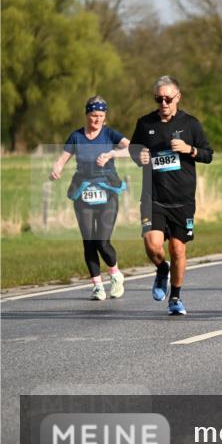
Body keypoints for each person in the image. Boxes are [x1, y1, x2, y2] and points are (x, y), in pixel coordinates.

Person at [130, 76, 213, 315]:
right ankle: (161, 269)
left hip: (182, 199)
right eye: (159, 99)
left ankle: (175, 297)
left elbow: (208, 154)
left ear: (178, 97)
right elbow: (134, 150)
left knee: (178, 250)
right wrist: (139, 157)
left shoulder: (191, 124)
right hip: (152, 196)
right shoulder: (145, 123)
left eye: (168, 98)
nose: (163, 103)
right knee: (153, 245)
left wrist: (190, 149)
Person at [50, 96, 130, 300]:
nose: (97, 120)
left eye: (101, 116)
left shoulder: (110, 133)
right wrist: (57, 169)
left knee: (102, 241)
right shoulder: (76, 136)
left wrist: (111, 154)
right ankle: (97, 285)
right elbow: (62, 159)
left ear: (105, 117)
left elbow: (132, 149)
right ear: (87, 114)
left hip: (107, 191)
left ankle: (115, 273)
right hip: (83, 192)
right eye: (93, 115)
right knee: (89, 241)